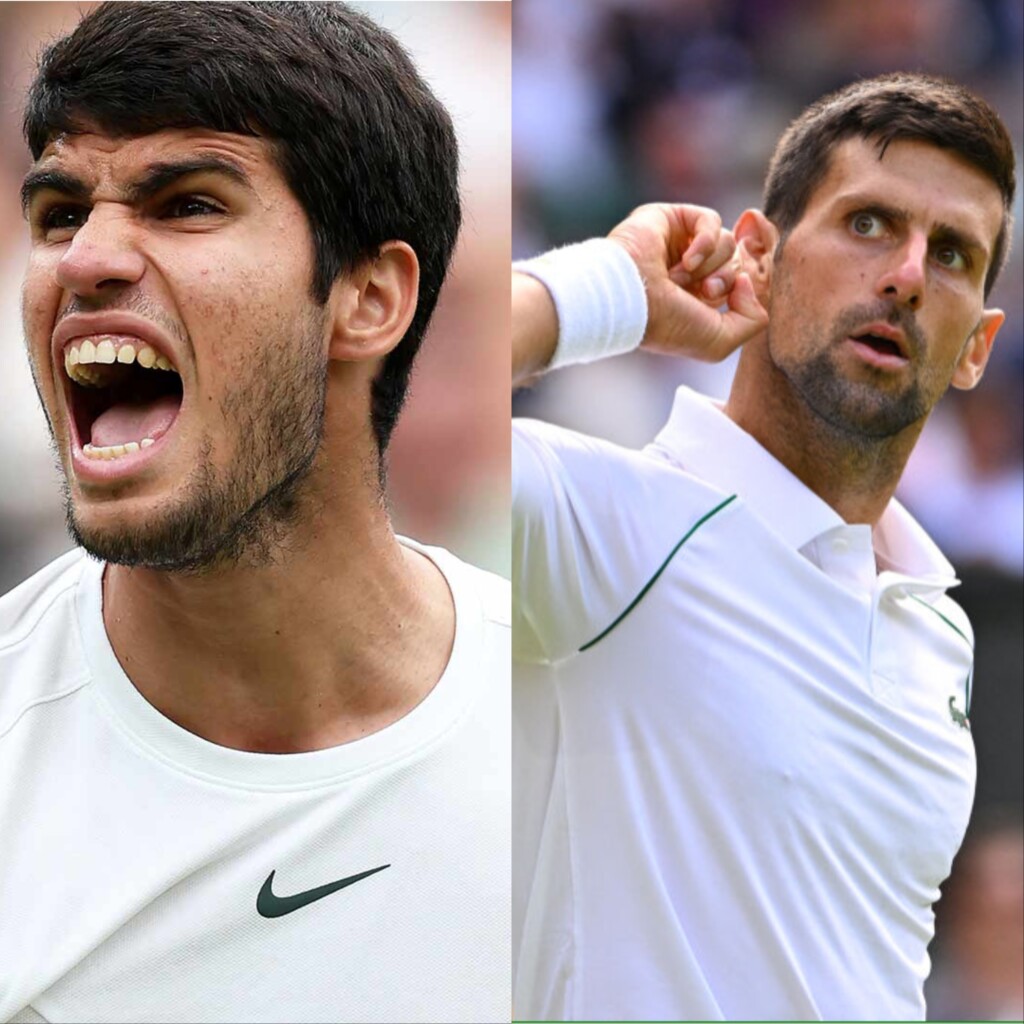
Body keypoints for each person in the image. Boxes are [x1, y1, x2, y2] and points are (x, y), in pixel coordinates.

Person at [0, 4, 509, 1023]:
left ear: (370, 298)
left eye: (186, 204)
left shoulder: (590, 737)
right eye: (59, 212)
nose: (84, 258)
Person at [511, 72, 1015, 1021]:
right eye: (869, 224)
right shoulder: (605, 524)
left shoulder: (936, 629)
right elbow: (351, 413)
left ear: (977, 346)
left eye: (951, 253)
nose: (907, 273)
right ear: (758, 257)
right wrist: (609, 291)